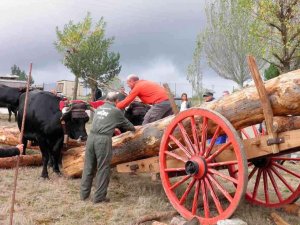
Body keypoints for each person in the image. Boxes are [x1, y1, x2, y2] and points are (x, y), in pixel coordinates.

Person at [80, 92, 136, 204]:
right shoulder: (116, 111)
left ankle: (84, 195)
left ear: (106, 99)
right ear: (116, 101)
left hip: (91, 138)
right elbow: (128, 126)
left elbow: (103, 122)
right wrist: (134, 129)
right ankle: (99, 197)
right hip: (103, 140)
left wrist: (112, 127)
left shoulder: (100, 108)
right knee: (103, 168)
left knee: (88, 166)